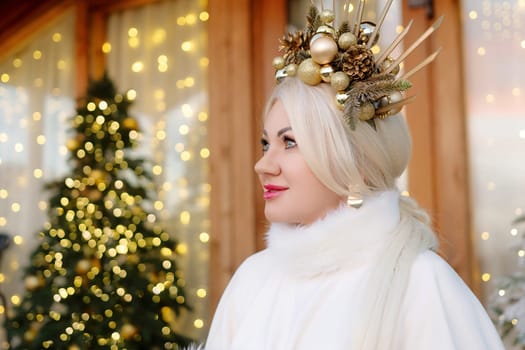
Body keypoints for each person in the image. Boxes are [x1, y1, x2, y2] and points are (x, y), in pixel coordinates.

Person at [204, 3, 505, 349]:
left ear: (353, 162)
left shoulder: (420, 284)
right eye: (265, 144)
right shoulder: (252, 280)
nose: (263, 165)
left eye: (289, 142)